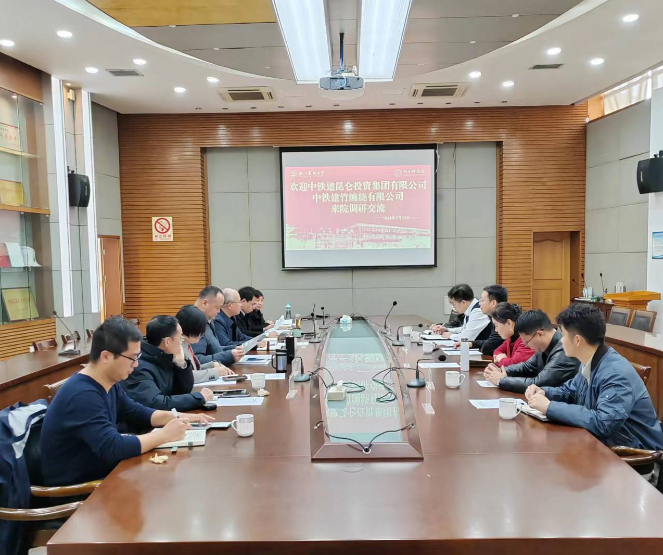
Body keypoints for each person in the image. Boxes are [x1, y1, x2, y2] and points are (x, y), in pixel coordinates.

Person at [40, 317, 212, 486]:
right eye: (133, 358)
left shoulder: (108, 382)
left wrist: (179, 417)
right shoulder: (82, 395)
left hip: (107, 473)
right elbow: (112, 447)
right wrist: (165, 435)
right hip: (82, 487)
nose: (136, 365)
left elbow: (137, 412)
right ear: (106, 357)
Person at [526, 304, 663, 450]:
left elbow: (604, 423)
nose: (561, 340)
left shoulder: (615, 373)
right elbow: (571, 391)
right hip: (606, 443)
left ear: (577, 340)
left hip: (635, 453)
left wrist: (549, 407)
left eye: (563, 335)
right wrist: (544, 392)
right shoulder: (591, 359)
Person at [122, 315, 214, 411]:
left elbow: (183, 391)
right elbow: (155, 403)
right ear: (167, 342)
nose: (181, 342)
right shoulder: (140, 366)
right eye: (180, 338)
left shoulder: (166, 356)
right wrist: (198, 398)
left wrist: (181, 365)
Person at [483, 309, 580, 393]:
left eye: (526, 341)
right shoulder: (544, 345)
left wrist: (501, 380)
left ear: (540, 334)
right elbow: (527, 367)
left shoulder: (564, 350)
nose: (526, 345)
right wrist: (501, 370)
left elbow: (539, 382)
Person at [177, 304, 235, 383]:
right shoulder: (177, 347)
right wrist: (214, 372)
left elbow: (195, 369)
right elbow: (187, 376)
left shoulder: (186, 342)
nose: (203, 334)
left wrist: (212, 365)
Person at [191, 286, 244, 366]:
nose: (219, 311)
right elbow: (197, 360)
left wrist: (233, 349)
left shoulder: (209, 320)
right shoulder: (193, 322)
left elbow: (214, 348)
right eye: (217, 307)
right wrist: (229, 356)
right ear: (205, 303)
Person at [454, 285, 508, 355]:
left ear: (493, 303)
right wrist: (472, 344)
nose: (479, 303)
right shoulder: (494, 317)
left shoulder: (503, 320)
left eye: (482, 300)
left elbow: (488, 346)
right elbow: (489, 341)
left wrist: (472, 344)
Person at [490, 303, 535, 367]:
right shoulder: (510, 339)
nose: (495, 330)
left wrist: (502, 359)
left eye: (496, 325)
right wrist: (504, 359)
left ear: (509, 323)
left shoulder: (526, 340)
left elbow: (514, 365)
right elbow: (497, 351)